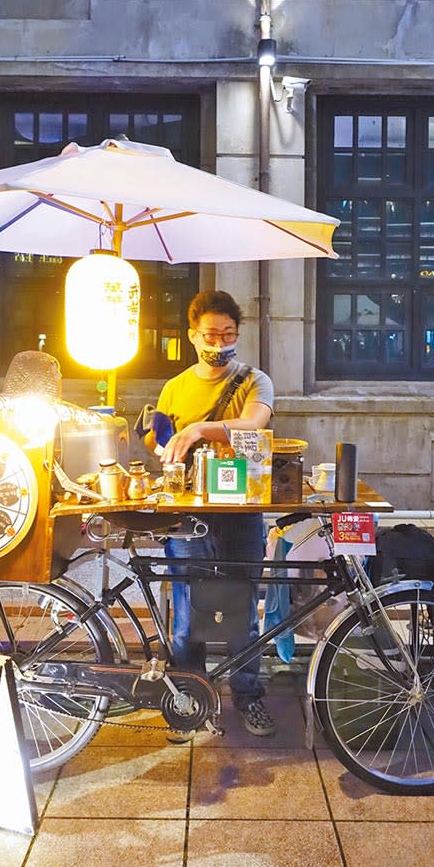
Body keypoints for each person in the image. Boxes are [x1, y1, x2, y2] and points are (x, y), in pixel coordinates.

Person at [155, 289, 276, 740]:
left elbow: (254, 423)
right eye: (211, 334)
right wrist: (167, 442)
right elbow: (159, 441)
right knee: (188, 611)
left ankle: (249, 698)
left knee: (242, 609)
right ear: (192, 336)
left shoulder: (255, 380)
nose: (220, 342)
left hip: (242, 512)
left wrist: (200, 429)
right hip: (188, 516)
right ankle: (189, 702)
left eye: (228, 333)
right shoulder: (175, 387)